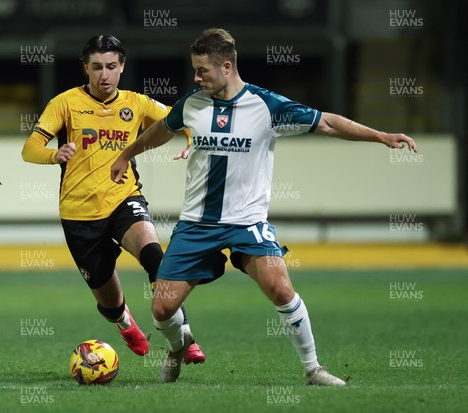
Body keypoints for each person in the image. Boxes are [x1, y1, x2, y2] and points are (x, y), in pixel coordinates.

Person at [111, 28, 418, 384]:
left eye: (202, 70)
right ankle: (178, 345)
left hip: (247, 223)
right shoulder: (192, 104)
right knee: (162, 309)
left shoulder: (266, 106)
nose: (196, 77)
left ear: (226, 67)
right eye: (194, 70)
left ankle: (313, 369)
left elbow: (328, 123)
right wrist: (128, 153)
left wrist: (380, 136)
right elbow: (162, 129)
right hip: (196, 224)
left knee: (281, 289)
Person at [22, 34, 205, 363]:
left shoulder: (136, 103)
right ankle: (125, 323)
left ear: (122, 67)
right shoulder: (65, 103)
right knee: (110, 303)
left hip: (124, 199)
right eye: (96, 67)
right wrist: (55, 155)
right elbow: (29, 148)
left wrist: (190, 138)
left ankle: (183, 336)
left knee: (155, 259)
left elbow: (180, 117)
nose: (104, 74)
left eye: (110, 67)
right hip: (79, 214)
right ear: (85, 69)